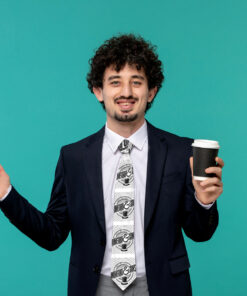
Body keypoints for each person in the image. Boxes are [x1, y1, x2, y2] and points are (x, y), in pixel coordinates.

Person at [0, 34, 224, 296]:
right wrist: (6, 194)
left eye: (136, 82)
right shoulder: (73, 158)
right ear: (98, 91)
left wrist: (204, 202)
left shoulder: (181, 152)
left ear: (151, 91)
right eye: (115, 82)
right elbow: (52, 234)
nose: (126, 92)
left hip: (163, 286)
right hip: (95, 287)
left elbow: (200, 233)